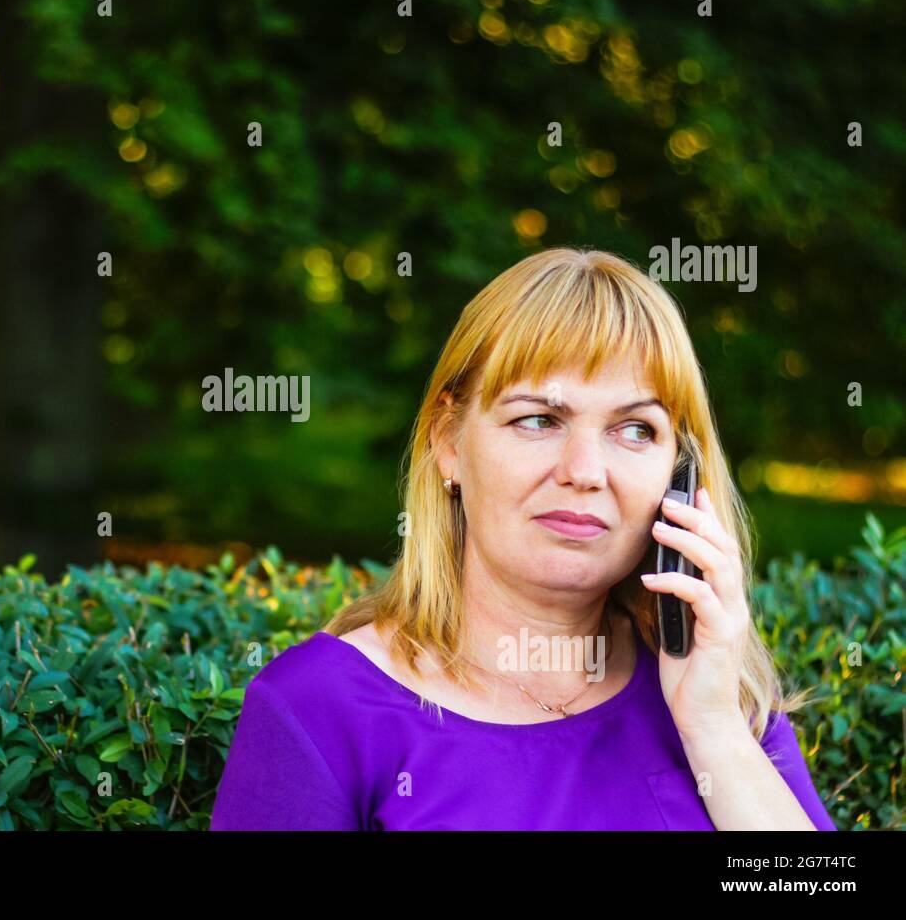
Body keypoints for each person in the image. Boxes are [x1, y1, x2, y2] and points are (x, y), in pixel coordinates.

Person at [210, 247, 837, 830]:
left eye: (635, 430)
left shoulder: (719, 698)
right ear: (448, 443)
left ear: (679, 475)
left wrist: (714, 731)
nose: (585, 471)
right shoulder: (318, 710)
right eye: (538, 419)